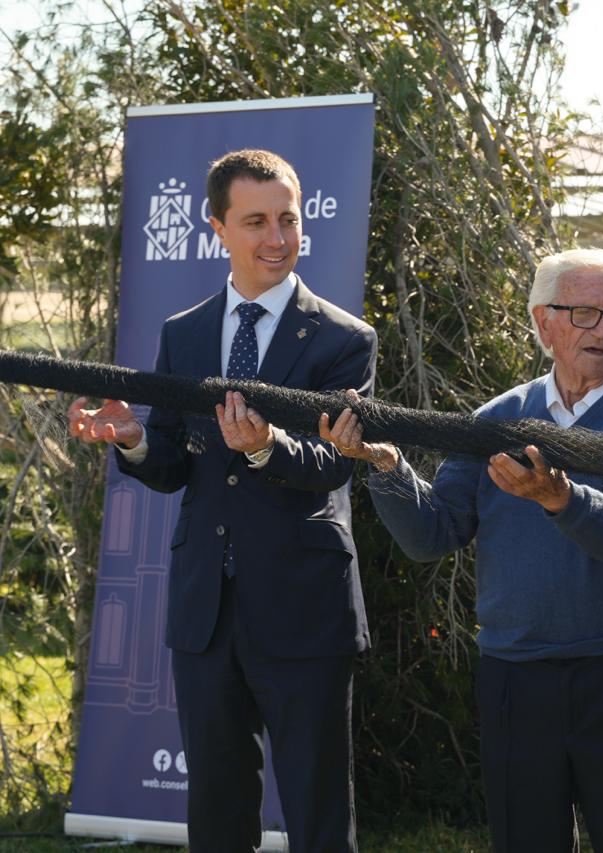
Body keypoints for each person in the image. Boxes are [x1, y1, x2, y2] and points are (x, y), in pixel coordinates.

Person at [319, 248, 603, 853]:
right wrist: (387, 468)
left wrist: (559, 499)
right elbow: (432, 534)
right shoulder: (496, 421)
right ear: (543, 322)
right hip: (518, 677)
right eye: (585, 314)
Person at [68, 149, 376, 852]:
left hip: (304, 607)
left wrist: (266, 447)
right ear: (217, 227)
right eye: (257, 220)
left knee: (318, 812)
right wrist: (133, 440)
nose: (277, 237)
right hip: (205, 609)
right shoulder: (185, 333)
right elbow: (176, 464)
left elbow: (336, 461)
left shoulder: (344, 339)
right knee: (216, 808)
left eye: (288, 219)